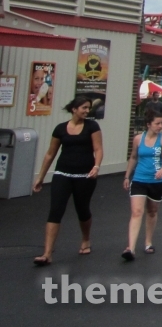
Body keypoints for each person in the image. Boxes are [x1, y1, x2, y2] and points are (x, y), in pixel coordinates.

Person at [32, 97, 103, 265]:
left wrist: (97, 166)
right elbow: (50, 154)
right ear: (74, 109)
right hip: (62, 174)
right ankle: (47, 254)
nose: (87, 111)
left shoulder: (92, 126)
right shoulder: (60, 129)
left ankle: (86, 239)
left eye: (88, 108)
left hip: (85, 176)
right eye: (84, 108)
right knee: (55, 210)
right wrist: (41, 177)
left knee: (82, 209)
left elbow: (98, 149)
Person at [122, 108, 162, 260]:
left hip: (156, 181)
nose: (160, 126)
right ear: (149, 124)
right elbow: (133, 157)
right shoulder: (138, 139)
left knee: (152, 211)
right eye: (157, 123)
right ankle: (130, 248)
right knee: (137, 212)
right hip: (139, 179)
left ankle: (148, 242)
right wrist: (126, 176)